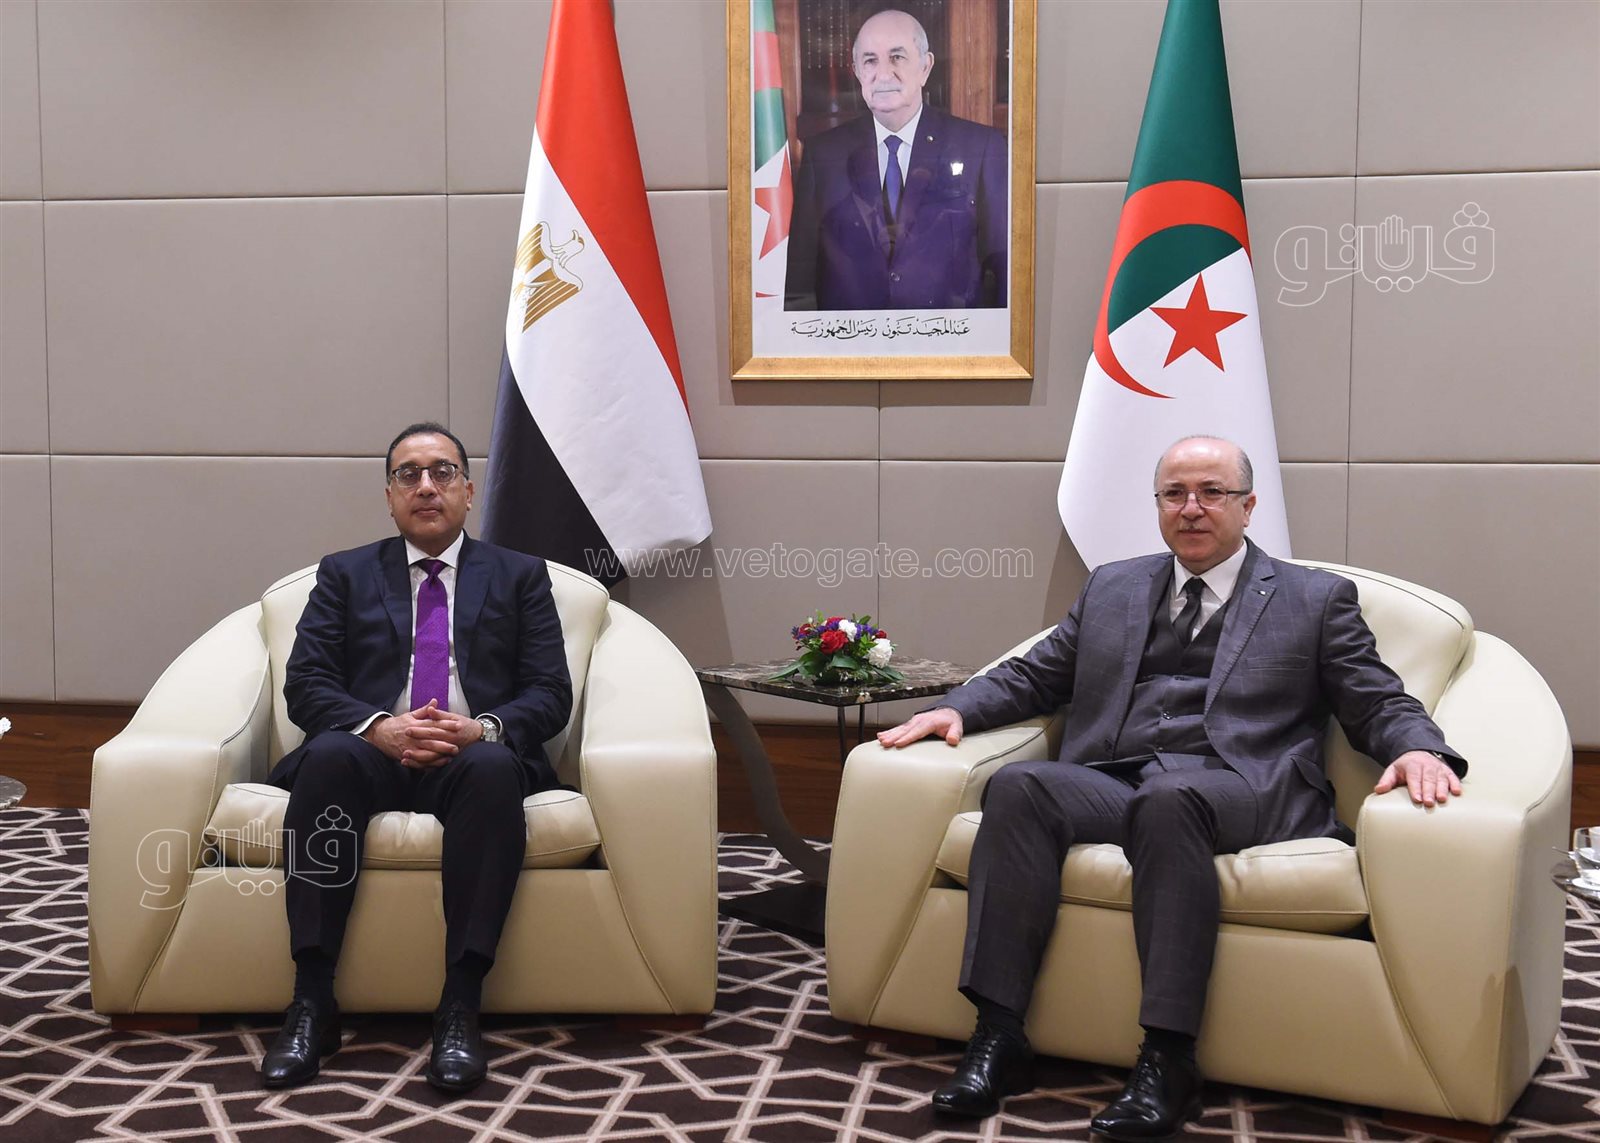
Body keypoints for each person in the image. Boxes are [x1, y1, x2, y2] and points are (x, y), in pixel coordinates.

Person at [877, 436, 1465, 1139]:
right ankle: (999, 1034)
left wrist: (1420, 748)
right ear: (1157, 504)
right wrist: (957, 709)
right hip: (1119, 777)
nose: (1191, 508)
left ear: (1248, 505)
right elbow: (1038, 674)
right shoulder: (1113, 585)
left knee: (1171, 799)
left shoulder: (1313, 598)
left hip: (1242, 784)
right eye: (1174, 494)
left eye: (1212, 492)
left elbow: (1375, 698)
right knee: (1020, 785)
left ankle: (1168, 1057)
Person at [260, 422, 572, 1093]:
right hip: (370, 754)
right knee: (327, 758)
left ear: (468, 490)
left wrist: (481, 729)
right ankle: (311, 1000)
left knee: (494, 768)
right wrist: (379, 727)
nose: (426, 486)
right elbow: (306, 682)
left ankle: (460, 1004)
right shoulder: (344, 573)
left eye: (442, 472)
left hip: (470, 758)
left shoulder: (520, 576)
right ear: (389, 495)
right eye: (408, 474)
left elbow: (550, 692)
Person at [784, 8, 1007, 311]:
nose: (884, 74)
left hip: (947, 336)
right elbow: (799, 277)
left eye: (897, 57)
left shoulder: (979, 147)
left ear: (925, 67)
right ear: (857, 71)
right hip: (850, 338)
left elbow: (1004, 267)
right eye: (870, 60)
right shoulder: (823, 155)